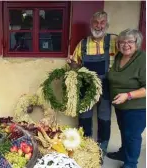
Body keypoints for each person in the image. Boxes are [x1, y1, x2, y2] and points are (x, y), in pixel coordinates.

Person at [67, 11, 118, 160]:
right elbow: (76, 66)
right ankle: (85, 147)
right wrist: (72, 64)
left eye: (102, 22)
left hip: (106, 87)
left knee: (104, 119)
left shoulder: (114, 41)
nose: (99, 26)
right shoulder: (82, 44)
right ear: (91, 24)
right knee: (84, 118)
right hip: (86, 87)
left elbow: (125, 59)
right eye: (96, 22)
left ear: (107, 25)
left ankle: (101, 149)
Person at [107, 29, 146, 168]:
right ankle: (124, 153)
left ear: (137, 43)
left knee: (133, 136)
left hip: (137, 108)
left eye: (130, 41)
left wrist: (128, 95)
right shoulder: (119, 57)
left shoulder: (142, 59)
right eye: (122, 42)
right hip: (121, 106)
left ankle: (131, 163)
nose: (125, 45)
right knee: (124, 131)